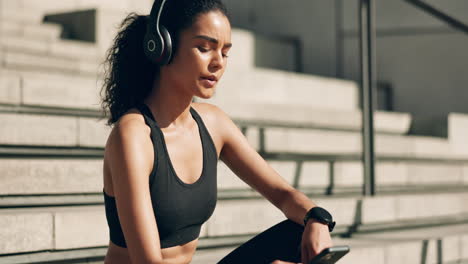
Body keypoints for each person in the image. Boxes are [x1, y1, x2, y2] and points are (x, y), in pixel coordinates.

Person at [99, 0, 333, 263]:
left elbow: (283, 194)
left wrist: (316, 218)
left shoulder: (214, 123)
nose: (218, 62)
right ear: (162, 47)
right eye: (204, 48)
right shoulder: (133, 135)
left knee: (299, 231)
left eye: (225, 52)